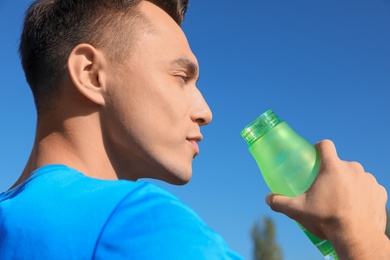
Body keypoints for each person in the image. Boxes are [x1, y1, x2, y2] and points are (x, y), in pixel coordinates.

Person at [0, 0, 388, 259]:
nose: (206, 111)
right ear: (91, 74)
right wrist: (361, 238)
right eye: (181, 76)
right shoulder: (138, 224)